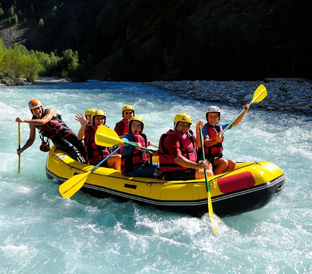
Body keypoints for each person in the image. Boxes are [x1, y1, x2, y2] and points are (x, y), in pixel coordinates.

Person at [15, 99, 86, 163]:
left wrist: (24, 120)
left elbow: (43, 121)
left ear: (41, 107)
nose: (37, 111)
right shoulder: (32, 123)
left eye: (38, 108)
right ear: (31, 111)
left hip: (66, 132)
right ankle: (82, 166)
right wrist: (22, 149)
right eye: (34, 109)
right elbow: (31, 139)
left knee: (82, 145)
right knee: (72, 149)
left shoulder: (49, 111)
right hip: (56, 139)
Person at [158, 113, 213, 181]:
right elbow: (177, 159)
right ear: (175, 124)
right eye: (182, 125)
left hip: (187, 167)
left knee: (208, 164)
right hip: (174, 172)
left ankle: (203, 184)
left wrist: (198, 130)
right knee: (208, 174)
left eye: (187, 125)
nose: (184, 128)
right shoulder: (172, 138)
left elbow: (199, 144)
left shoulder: (188, 134)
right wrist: (197, 166)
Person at [197, 104, 250, 175]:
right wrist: (215, 139)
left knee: (232, 163)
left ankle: (222, 181)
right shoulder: (204, 128)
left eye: (216, 116)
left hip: (216, 156)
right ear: (207, 117)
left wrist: (244, 111)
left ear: (218, 117)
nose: (213, 118)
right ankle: (213, 180)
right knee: (223, 162)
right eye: (211, 116)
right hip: (206, 157)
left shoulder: (220, 126)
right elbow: (206, 143)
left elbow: (235, 123)